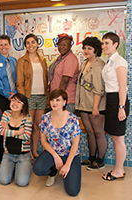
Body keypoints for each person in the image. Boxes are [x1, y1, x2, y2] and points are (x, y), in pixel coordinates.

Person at [33, 88, 81, 196]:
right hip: (52, 153)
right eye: (52, 100)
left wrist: (68, 164)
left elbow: (75, 144)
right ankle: (53, 172)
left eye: (58, 100)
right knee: (37, 168)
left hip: (69, 155)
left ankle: (66, 170)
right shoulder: (45, 118)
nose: (54, 103)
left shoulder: (72, 119)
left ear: (64, 102)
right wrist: (55, 155)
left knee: (73, 191)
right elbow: (44, 141)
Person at [75, 37, 107, 170]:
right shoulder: (85, 63)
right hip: (84, 104)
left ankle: (100, 161)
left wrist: (95, 107)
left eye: (89, 48)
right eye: (85, 48)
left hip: (96, 106)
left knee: (98, 132)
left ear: (96, 50)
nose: (86, 51)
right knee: (90, 132)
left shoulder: (99, 64)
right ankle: (91, 158)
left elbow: (99, 89)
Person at [101, 32, 129, 181]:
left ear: (115, 44)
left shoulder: (119, 61)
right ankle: (119, 168)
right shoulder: (109, 61)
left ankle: (118, 171)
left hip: (118, 101)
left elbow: (123, 86)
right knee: (115, 137)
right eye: (103, 43)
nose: (104, 46)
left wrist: (121, 107)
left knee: (119, 139)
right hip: (111, 101)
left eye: (107, 43)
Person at [16, 33, 48, 159]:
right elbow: (19, 83)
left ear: (37, 43)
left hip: (42, 96)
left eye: (32, 42)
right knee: (27, 126)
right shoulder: (21, 61)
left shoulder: (43, 60)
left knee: (37, 126)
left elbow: (46, 79)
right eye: (28, 43)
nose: (30, 45)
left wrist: (47, 96)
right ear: (25, 45)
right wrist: (23, 100)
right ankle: (27, 152)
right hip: (29, 96)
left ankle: (34, 151)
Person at [0, 34, 17, 162]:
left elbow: (17, 79)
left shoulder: (14, 61)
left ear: (10, 46)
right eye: (1, 45)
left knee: (13, 124)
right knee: (1, 125)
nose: (3, 47)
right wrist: (8, 95)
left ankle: (11, 152)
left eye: (6, 44)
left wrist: (14, 94)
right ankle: (0, 155)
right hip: (0, 97)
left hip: (14, 97)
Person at [0, 93, 32, 187]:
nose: (15, 103)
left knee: (21, 183)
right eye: (13, 100)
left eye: (19, 102)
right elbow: (1, 131)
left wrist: (8, 129)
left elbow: (26, 136)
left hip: (23, 155)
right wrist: (17, 132)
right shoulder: (6, 113)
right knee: (3, 181)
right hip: (8, 154)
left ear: (23, 106)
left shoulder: (27, 117)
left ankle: (18, 168)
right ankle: (13, 168)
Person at [49, 33, 79, 113]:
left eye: (64, 45)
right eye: (60, 45)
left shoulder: (70, 59)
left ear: (70, 46)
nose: (61, 47)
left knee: (64, 124)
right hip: (58, 99)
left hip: (65, 101)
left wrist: (58, 98)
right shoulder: (60, 58)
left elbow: (65, 80)